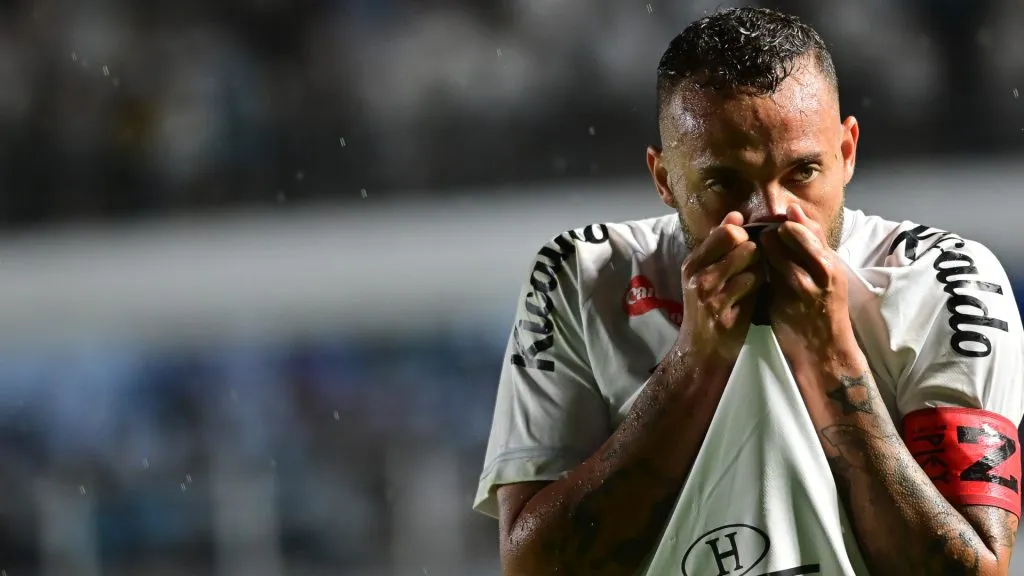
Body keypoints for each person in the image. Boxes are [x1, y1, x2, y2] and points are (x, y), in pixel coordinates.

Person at [473, 6, 1024, 576]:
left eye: (802, 173)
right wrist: (695, 361)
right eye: (725, 182)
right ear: (664, 178)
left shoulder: (946, 281)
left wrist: (831, 357)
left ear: (847, 152)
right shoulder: (582, 277)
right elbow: (533, 566)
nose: (772, 213)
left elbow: (975, 570)